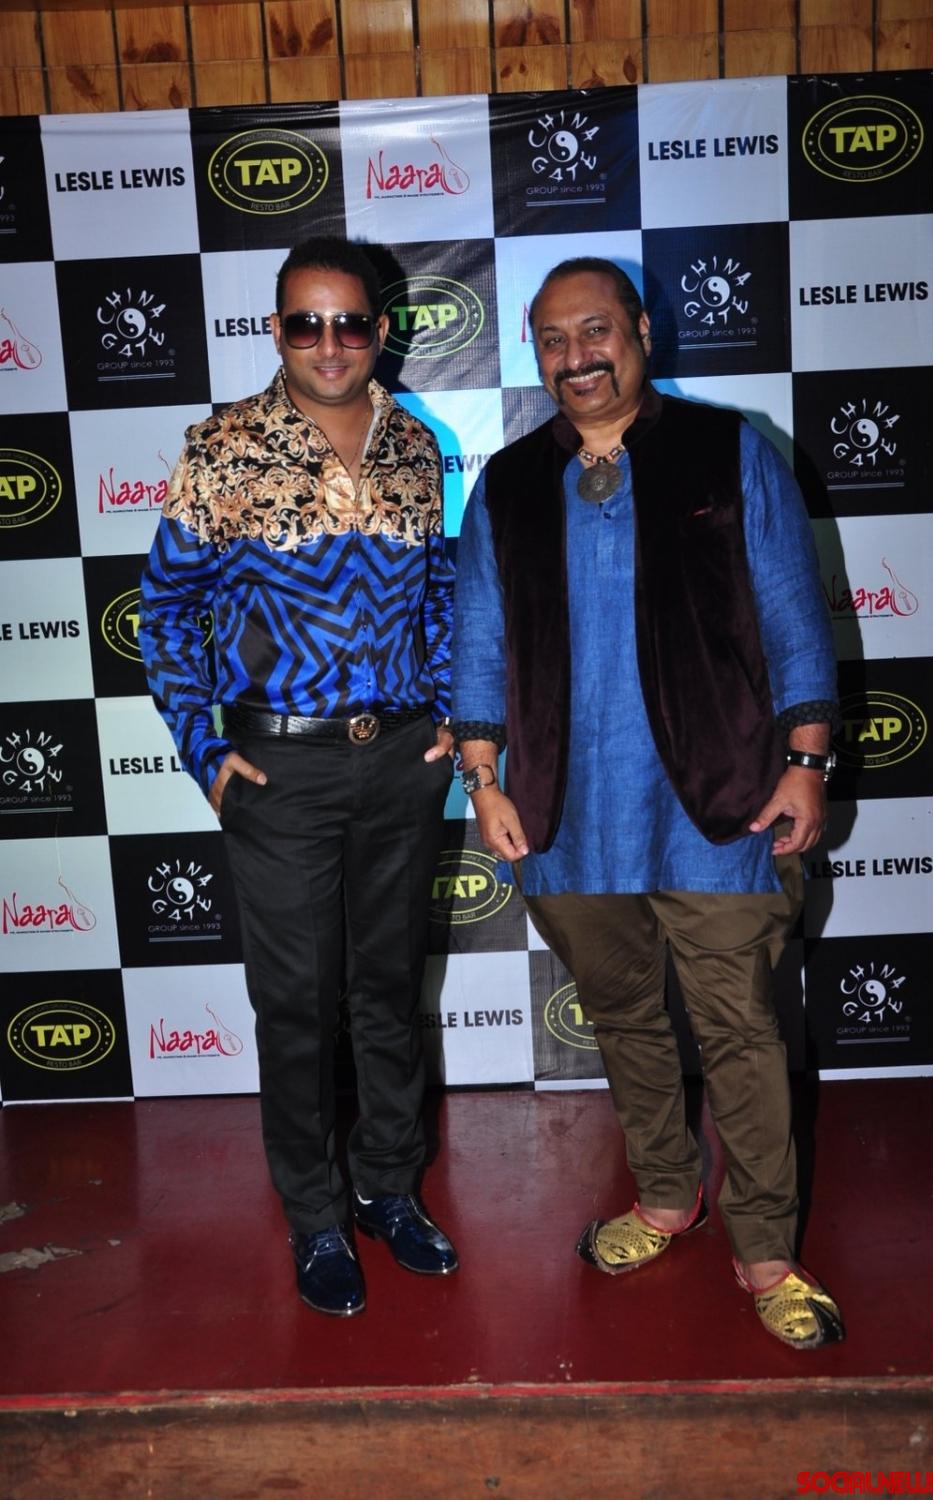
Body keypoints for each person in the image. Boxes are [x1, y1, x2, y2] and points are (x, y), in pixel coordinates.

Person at [451, 256, 843, 1350]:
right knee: (623, 1019)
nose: (576, 356)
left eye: (596, 331)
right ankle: (668, 1197)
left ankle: (767, 1251)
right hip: (565, 812)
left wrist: (806, 760)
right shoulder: (508, 483)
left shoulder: (728, 450)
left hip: (720, 803)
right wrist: (482, 781)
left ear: (642, 335)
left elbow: (793, 615)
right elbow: (478, 639)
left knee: (741, 1030)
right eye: (553, 339)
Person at [140, 236, 458, 1317]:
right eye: (307, 323)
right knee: (295, 1007)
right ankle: (315, 1215)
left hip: (402, 761)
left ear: (382, 329)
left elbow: (439, 594)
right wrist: (203, 750)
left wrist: (448, 715)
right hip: (279, 768)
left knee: (389, 993)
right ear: (276, 331)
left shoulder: (416, 444)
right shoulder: (222, 447)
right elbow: (164, 610)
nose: (331, 343)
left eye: (351, 322)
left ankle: (388, 1190)